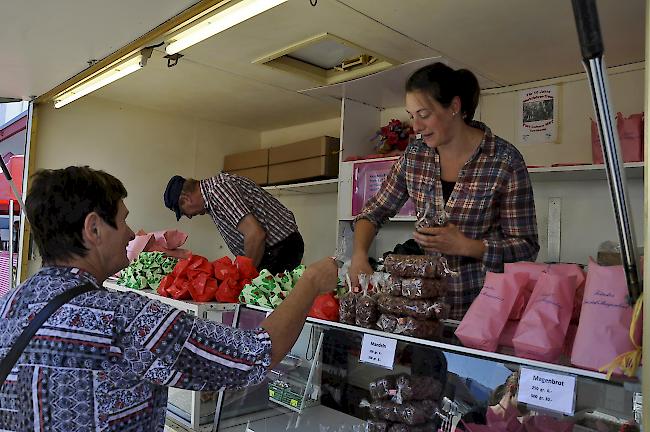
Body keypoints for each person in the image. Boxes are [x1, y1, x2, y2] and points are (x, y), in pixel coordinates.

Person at [0, 166, 336, 431]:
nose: (132, 233)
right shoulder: (125, 320)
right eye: (123, 219)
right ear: (94, 229)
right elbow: (255, 355)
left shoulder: (8, 306)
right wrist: (309, 283)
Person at [349, 62, 539, 319]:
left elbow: (526, 248)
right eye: (411, 115)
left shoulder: (504, 161)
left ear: (454, 107)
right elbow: (373, 212)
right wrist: (360, 255)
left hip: (483, 314)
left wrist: (467, 246)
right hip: (424, 312)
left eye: (424, 114)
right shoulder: (415, 157)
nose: (415, 126)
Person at [164, 173, 304, 274]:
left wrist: (243, 277)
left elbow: (255, 234)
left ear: (186, 199)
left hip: (279, 250)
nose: (189, 216)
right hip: (271, 251)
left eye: (183, 212)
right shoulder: (214, 195)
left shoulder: (218, 191)